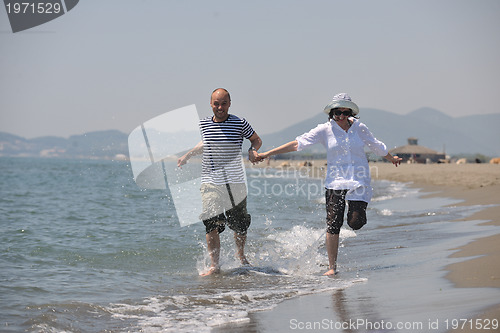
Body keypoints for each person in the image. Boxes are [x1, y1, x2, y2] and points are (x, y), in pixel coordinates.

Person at [256, 93, 401, 276]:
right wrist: (267, 154)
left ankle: (357, 213)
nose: (340, 117)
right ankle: (332, 267)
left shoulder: (359, 128)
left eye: (344, 113)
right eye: (336, 113)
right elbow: (296, 144)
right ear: (331, 114)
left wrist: (391, 158)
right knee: (333, 224)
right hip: (335, 182)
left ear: (350, 113)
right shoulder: (324, 130)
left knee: (356, 222)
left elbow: (376, 146)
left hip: (358, 182)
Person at [178, 88, 262, 276]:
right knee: (211, 220)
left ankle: (240, 255)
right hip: (210, 181)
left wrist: (252, 150)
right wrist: (188, 155)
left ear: (229, 104)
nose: (220, 107)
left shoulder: (240, 123)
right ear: (210, 104)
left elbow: (256, 140)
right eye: (216, 103)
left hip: (235, 183)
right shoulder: (204, 124)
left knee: (239, 223)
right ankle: (214, 265)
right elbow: (204, 143)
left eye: (224, 103)